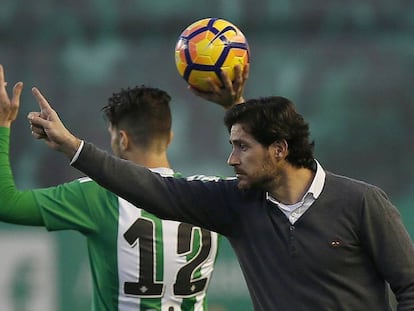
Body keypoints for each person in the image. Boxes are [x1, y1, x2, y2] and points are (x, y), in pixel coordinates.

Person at [28, 80, 414, 310]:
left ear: (279, 149)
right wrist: (73, 147)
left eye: (242, 147)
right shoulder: (236, 205)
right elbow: (152, 188)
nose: (231, 159)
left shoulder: (361, 202)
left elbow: (409, 286)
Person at [0, 63, 249, 311]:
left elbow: (7, 204)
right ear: (169, 137)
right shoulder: (210, 193)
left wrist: (3, 123)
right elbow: (266, 178)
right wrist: (235, 103)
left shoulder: (98, 195)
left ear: (122, 139)